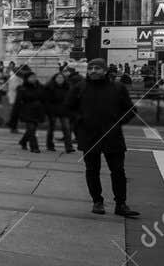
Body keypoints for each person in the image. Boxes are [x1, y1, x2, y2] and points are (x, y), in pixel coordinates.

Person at [67, 58, 140, 217]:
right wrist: (80, 122)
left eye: (97, 68)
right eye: (90, 68)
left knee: (118, 171)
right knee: (92, 170)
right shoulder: (79, 87)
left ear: (105, 70)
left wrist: (117, 123)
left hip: (112, 136)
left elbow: (131, 110)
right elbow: (68, 108)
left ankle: (121, 204)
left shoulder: (117, 88)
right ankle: (97, 201)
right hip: (89, 136)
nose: (93, 71)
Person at [11, 71, 47, 152]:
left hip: (38, 111)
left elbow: (44, 98)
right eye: (31, 77)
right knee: (31, 128)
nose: (33, 79)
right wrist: (15, 116)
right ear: (26, 79)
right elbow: (18, 102)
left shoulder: (40, 87)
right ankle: (34, 147)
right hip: (27, 111)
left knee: (31, 129)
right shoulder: (22, 88)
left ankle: (23, 141)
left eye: (34, 77)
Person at [43, 69, 76, 153]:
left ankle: (68, 147)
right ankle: (50, 145)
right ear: (55, 79)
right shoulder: (49, 87)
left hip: (64, 111)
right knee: (51, 128)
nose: (60, 79)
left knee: (67, 128)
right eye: (58, 78)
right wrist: (48, 110)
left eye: (61, 78)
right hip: (52, 111)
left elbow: (70, 99)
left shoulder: (68, 87)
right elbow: (46, 100)